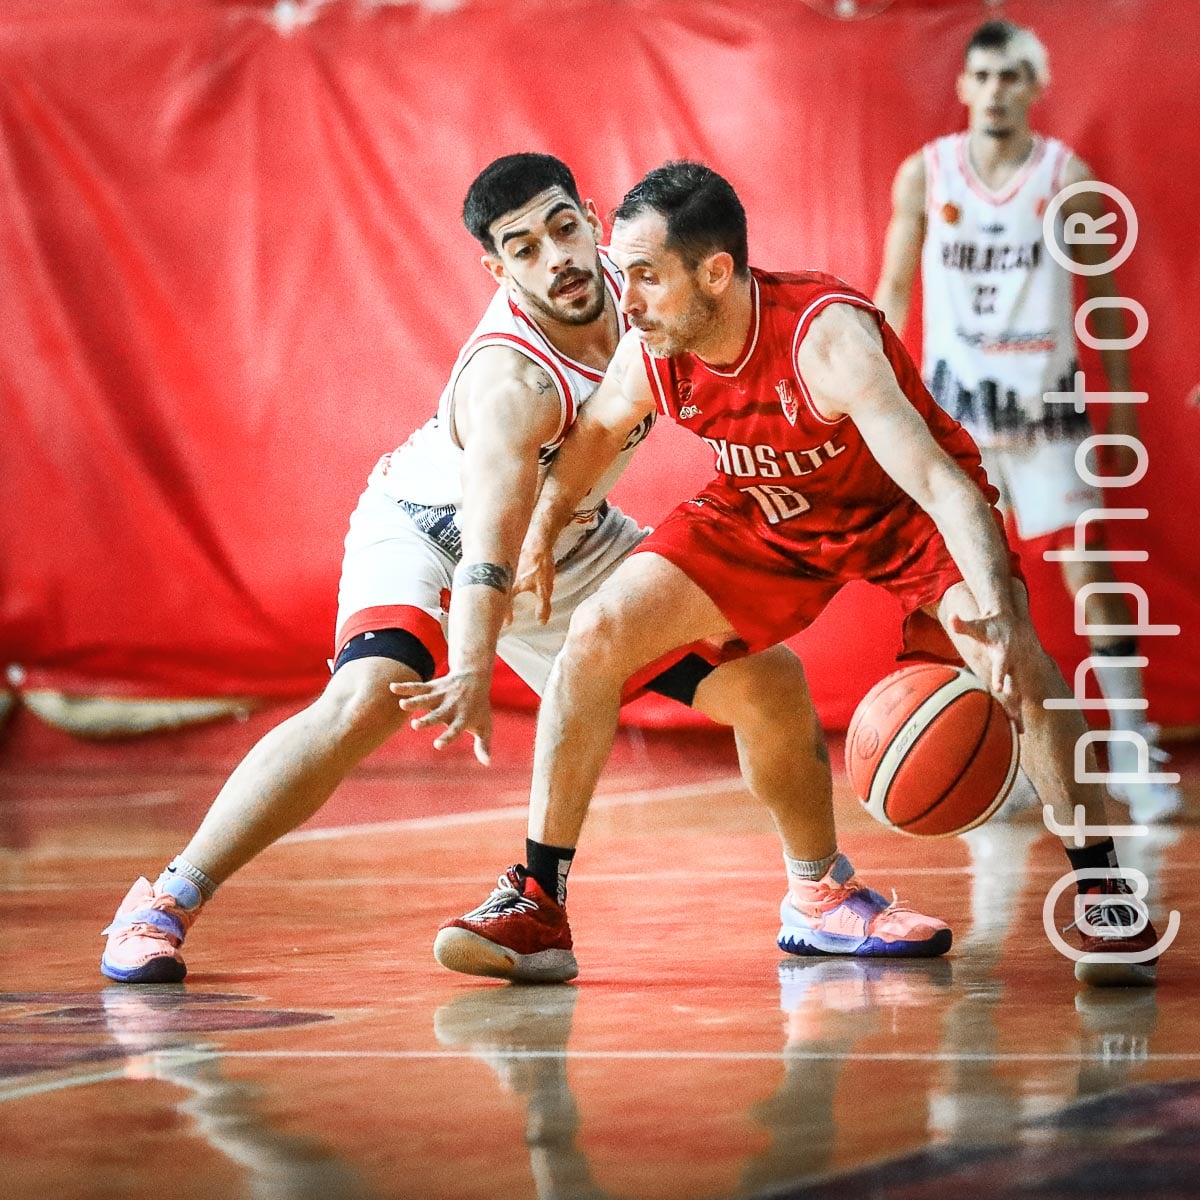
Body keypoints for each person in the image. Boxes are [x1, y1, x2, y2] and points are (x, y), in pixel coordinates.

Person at [100, 153, 948, 987]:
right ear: (497, 270)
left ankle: (818, 895)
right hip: (433, 531)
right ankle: (165, 901)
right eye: (526, 249)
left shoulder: (640, 286)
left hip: (568, 537)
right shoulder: (512, 382)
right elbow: (488, 547)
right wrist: (470, 662)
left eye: (564, 229)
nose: (558, 259)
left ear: (592, 219)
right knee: (368, 698)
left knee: (770, 685)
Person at [439, 160, 1164, 988]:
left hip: (900, 515)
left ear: (715, 273)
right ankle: (538, 901)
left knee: (1015, 662)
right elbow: (596, 434)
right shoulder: (653, 349)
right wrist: (539, 528)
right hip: (765, 509)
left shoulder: (827, 338)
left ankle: (1102, 887)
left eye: (644, 275)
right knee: (596, 629)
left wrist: (999, 613)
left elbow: (938, 486)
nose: (623, 299)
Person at [873, 19, 1179, 823]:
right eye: (983, 76)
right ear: (964, 87)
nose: (996, 90)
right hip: (959, 421)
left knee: (1091, 574)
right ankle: (1001, 761)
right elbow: (892, 291)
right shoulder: (926, 173)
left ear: (1035, 88)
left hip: (1048, 413)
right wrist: (872, 400)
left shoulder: (1065, 175)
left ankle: (1133, 752)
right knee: (976, 588)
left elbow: (1103, 299)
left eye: (1011, 76)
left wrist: (1119, 403)